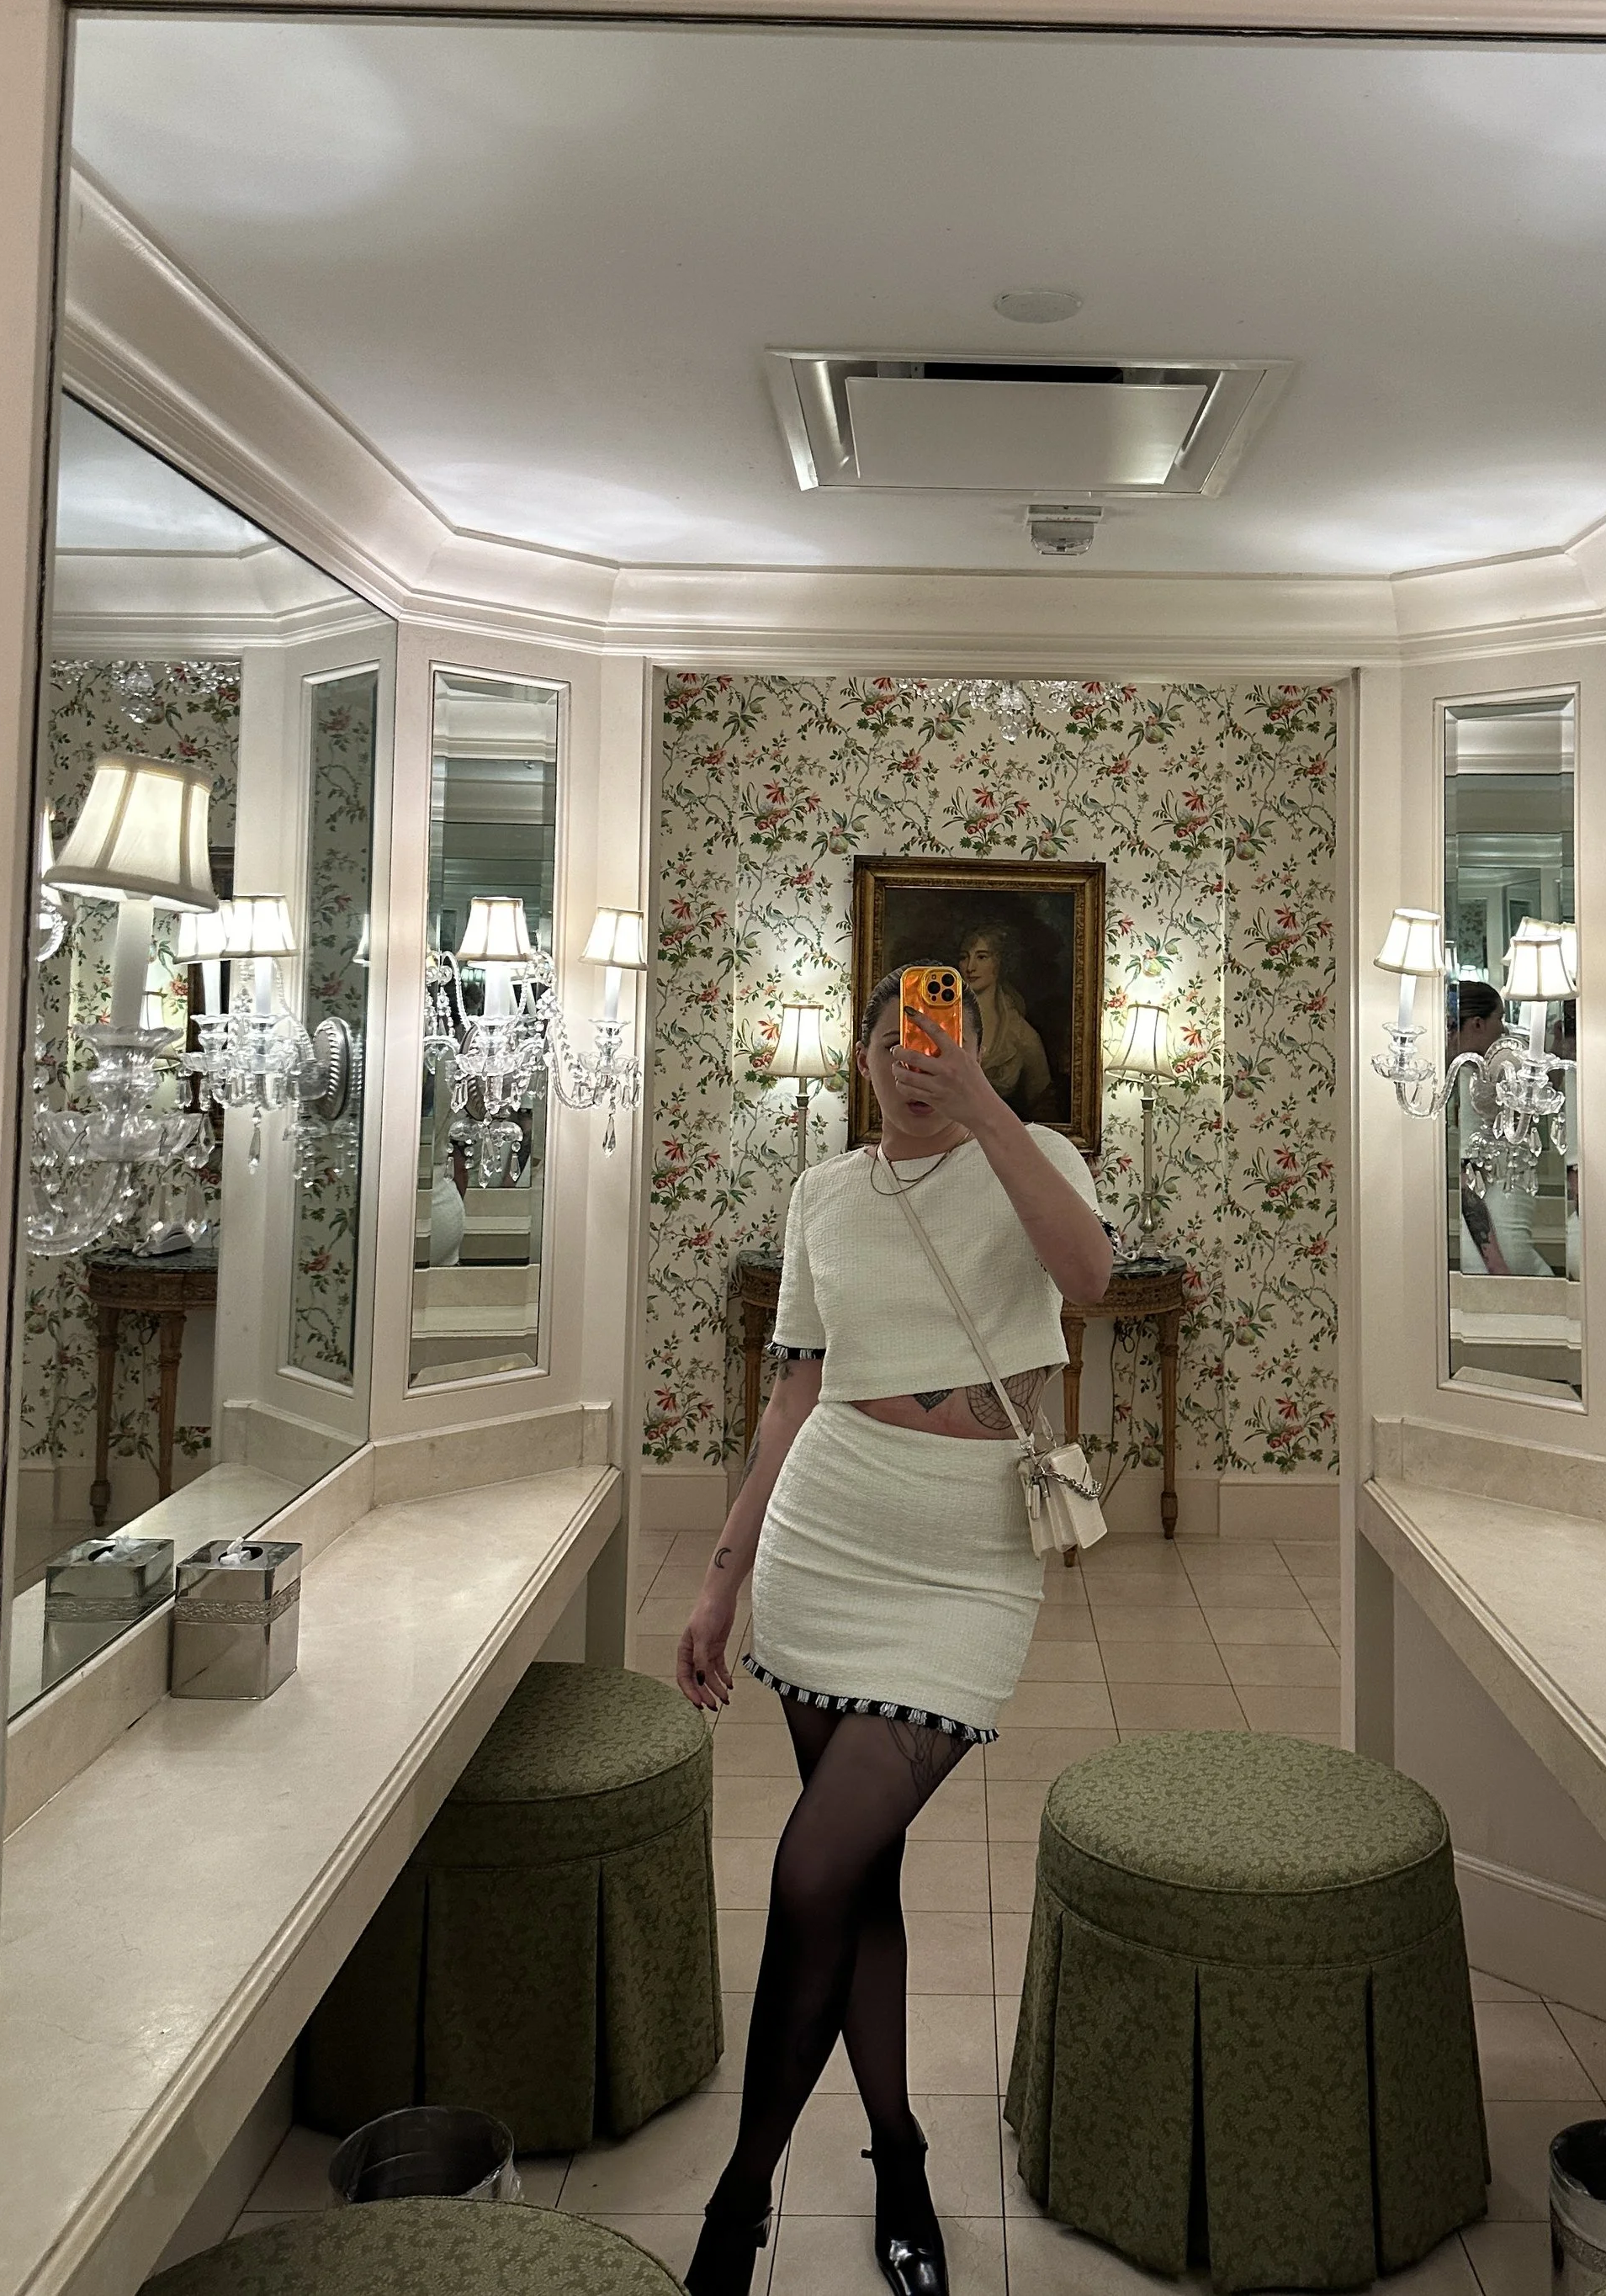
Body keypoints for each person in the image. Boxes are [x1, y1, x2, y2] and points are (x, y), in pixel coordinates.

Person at [675, 968, 1111, 2296]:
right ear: (861, 1056)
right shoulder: (822, 1195)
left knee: (815, 1870)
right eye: (899, 1038)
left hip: (968, 1559)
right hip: (828, 1534)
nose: (919, 1057)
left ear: (978, 1052)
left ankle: (739, 2198)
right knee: (856, 1876)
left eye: (946, 1039)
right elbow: (792, 1396)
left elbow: (1089, 1278)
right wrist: (721, 1578)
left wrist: (984, 1110)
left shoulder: (1034, 1154)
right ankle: (901, 2155)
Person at [1444, 980, 1553, 1279]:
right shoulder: (1474, 1082)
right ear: (1478, 1024)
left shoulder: (1479, 1076)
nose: (1504, 1028)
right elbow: (1469, 1184)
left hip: (1497, 1230)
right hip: (1500, 1236)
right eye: (1500, 1018)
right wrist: (1496, 1265)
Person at [956, 921, 1055, 1119]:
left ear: (999, 962)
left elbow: (1044, 1107)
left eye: (981, 957)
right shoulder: (941, 1022)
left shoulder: (1022, 1036)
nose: (970, 967)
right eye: (964, 957)